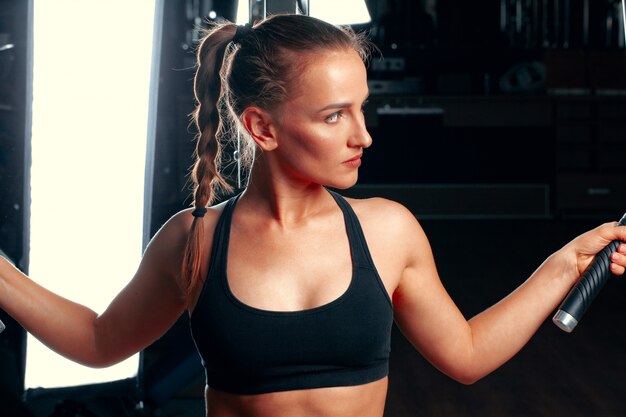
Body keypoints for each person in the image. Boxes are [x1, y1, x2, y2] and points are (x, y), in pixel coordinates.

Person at [1, 13, 625, 417]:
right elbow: (99, 341)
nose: (363, 135)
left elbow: (463, 355)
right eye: (334, 116)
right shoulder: (194, 241)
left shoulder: (386, 230)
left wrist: (566, 263)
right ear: (262, 127)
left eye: (362, 108)